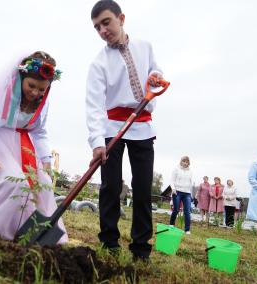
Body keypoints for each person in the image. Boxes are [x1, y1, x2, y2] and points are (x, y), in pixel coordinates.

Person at [0, 51, 68, 244]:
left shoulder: (41, 104)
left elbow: (39, 132)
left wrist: (46, 160)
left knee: (44, 184)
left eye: (41, 90)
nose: (35, 93)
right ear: (21, 77)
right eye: (31, 86)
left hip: (20, 149)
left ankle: (35, 237)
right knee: (15, 184)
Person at [86, 0, 165, 261]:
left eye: (106, 22)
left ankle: (141, 248)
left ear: (121, 18)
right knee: (110, 186)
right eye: (97, 27)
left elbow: (156, 72)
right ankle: (109, 242)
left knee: (142, 188)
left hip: (142, 127)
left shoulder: (145, 46)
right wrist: (97, 142)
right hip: (113, 129)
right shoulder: (98, 64)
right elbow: (94, 106)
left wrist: (155, 77)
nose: (102, 31)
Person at [169, 156, 194, 234]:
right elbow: (171, 180)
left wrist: (190, 193)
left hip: (187, 193)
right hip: (177, 192)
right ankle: (171, 224)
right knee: (176, 209)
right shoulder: (176, 169)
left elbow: (190, 182)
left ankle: (187, 230)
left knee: (187, 211)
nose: (185, 163)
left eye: (186, 162)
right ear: (181, 161)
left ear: (188, 163)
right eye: (184, 161)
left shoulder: (190, 171)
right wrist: (173, 188)